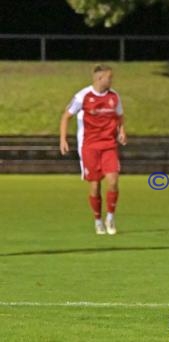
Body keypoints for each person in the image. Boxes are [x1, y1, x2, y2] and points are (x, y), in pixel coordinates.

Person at [59, 63, 127, 235]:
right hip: (89, 146)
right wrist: (63, 139)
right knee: (95, 186)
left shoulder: (114, 96)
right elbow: (66, 116)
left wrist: (122, 131)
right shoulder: (83, 96)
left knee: (113, 181)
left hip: (109, 145)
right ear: (99, 78)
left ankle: (110, 217)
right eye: (109, 77)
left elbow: (119, 116)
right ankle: (97, 219)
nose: (111, 80)